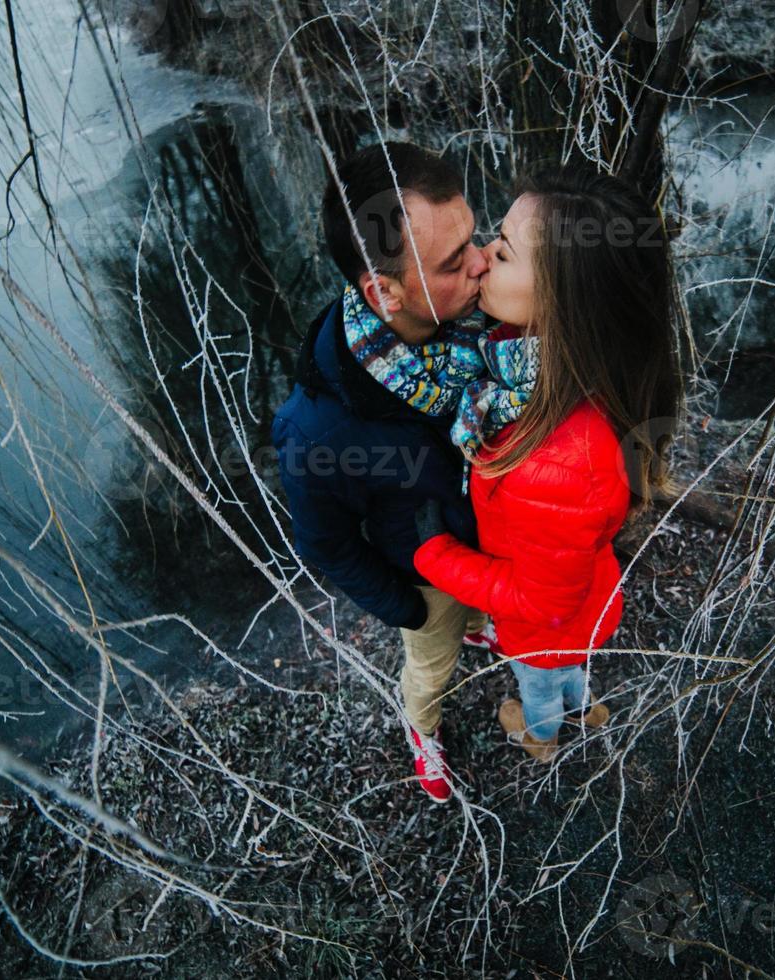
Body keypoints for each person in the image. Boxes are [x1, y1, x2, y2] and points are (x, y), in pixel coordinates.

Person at [411, 165, 682, 762]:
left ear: (563, 302)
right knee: (574, 669)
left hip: (545, 630)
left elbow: (541, 602)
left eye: (502, 252)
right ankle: (584, 709)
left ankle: (542, 736)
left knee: (540, 684)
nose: (480, 259)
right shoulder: (551, 379)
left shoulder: (557, 455)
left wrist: (435, 554)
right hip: (583, 605)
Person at [270, 142, 492, 802]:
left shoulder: (478, 327)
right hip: (427, 575)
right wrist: (406, 606)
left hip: (486, 535)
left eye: (474, 238)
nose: (484, 262)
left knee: (480, 611)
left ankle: (483, 621)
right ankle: (421, 726)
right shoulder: (317, 430)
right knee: (433, 664)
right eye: (456, 262)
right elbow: (323, 542)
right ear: (384, 291)